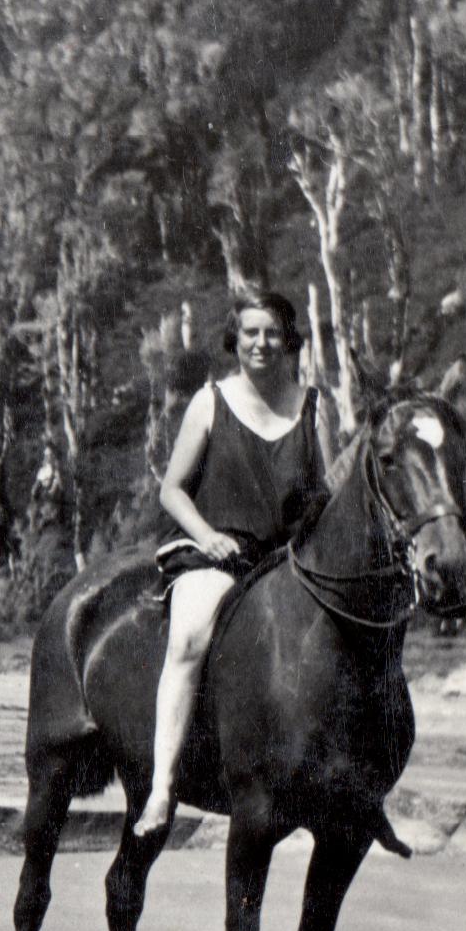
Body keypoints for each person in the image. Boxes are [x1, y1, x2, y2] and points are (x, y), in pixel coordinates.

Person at [138, 286, 335, 839]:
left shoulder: (314, 408)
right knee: (189, 637)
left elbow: (330, 495)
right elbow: (173, 490)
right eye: (251, 332)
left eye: (272, 332)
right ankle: (161, 788)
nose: (261, 343)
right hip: (217, 554)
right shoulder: (210, 403)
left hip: (290, 564)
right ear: (236, 339)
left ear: (289, 340)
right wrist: (208, 536)